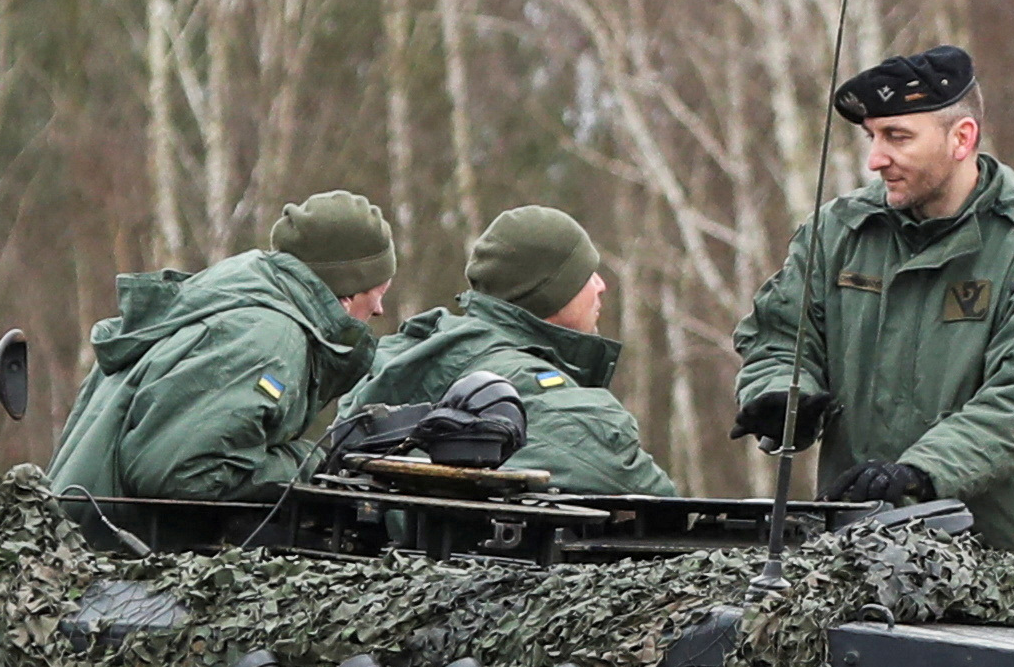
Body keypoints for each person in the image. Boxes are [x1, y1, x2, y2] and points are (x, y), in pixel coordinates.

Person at [730, 43, 1014, 550]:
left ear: (961, 139)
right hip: (852, 546)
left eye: (897, 137)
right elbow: (780, 335)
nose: (877, 159)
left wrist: (921, 473)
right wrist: (779, 393)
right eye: (872, 137)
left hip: (993, 554)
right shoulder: (839, 231)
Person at [44, 191, 400, 503]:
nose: (380, 310)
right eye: (378, 293)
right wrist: (307, 463)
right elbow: (178, 473)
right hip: (113, 560)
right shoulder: (269, 335)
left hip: (91, 546)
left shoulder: (242, 294)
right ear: (347, 289)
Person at [348, 205, 684, 495]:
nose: (600, 286)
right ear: (549, 293)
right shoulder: (531, 385)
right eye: (585, 274)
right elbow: (650, 496)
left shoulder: (417, 352)